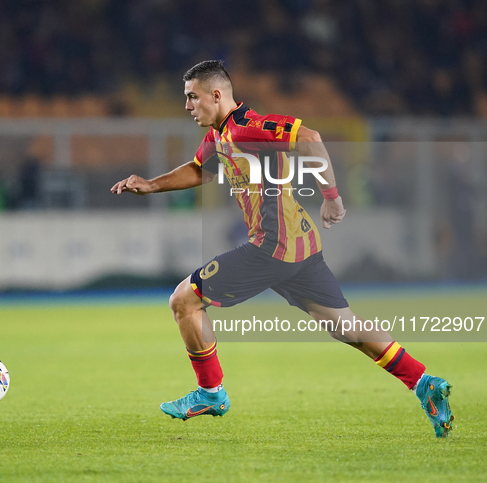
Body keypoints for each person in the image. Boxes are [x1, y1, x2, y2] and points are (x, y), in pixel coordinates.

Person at [111, 60, 454, 438]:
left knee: (183, 301)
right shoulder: (220, 135)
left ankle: (210, 392)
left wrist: (332, 198)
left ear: (216, 95)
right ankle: (424, 383)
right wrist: (149, 184)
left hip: (273, 247)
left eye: (192, 98)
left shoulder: (249, 128)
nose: (188, 106)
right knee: (347, 328)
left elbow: (310, 138)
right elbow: (199, 169)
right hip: (300, 249)